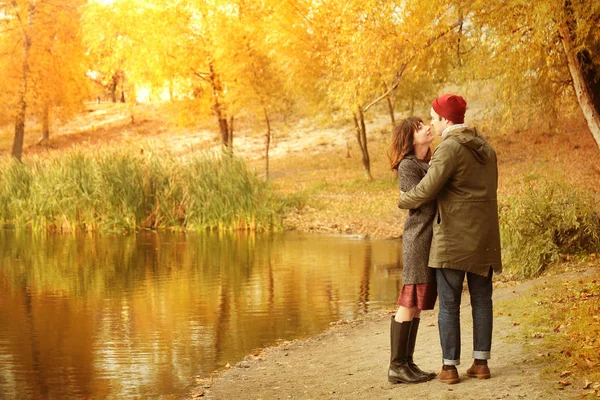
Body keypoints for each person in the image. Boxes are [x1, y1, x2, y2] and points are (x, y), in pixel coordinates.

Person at [397, 94, 502, 385]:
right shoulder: (487, 148)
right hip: (485, 238)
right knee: (482, 300)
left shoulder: (448, 149)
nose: (431, 122)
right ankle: (481, 363)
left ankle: (449, 368)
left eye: (434, 117)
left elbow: (427, 190)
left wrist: (403, 200)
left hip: (453, 240)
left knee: (450, 304)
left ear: (445, 119)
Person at [386, 117, 438, 384]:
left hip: (428, 240)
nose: (427, 127)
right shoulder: (408, 165)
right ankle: (396, 365)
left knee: (416, 306)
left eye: (426, 124)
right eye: (419, 128)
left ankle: (407, 362)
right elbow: (418, 198)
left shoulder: (427, 163)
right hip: (418, 240)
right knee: (408, 302)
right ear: (410, 138)